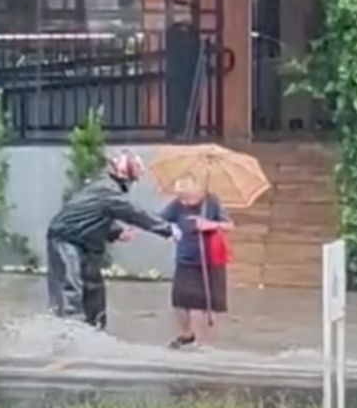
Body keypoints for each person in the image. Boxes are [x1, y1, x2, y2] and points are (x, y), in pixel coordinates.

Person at [46, 150, 181, 330]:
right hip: (66, 239)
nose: (133, 183)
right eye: (133, 178)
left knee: (93, 288)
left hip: (84, 243)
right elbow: (133, 212)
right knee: (71, 287)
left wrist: (116, 232)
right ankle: (67, 330)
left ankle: (94, 328)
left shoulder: (104, 189)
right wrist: (167, 228)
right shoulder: (107, 190)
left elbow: (94, 215)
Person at [161, 174, 234, 349]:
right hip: (185, 259)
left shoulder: (211, 202)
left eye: (187, 198)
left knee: (199, 304)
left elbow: (229, 226)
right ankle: (186, 335)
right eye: (181, 198)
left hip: (209, 261)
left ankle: (201, 342)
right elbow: (160, 220)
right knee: (180, 301)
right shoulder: (177, 205)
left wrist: (210, 224)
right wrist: (170, 231)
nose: (184, 202)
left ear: (199, 193)